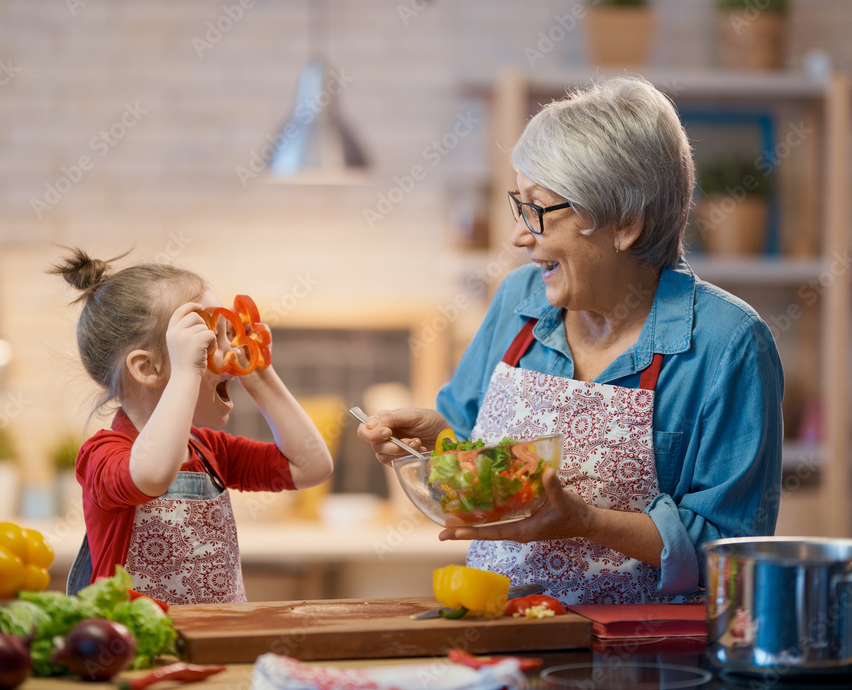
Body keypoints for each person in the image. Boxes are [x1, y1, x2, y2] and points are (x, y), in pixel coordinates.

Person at [358, 76, 784, 605]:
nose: (518, 235)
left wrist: (587, 522)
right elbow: (470, 445)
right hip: (504, 637)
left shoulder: (729, 345)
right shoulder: (519, 300)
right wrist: (436, 436)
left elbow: (734, 552)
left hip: (652, 664)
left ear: (625, 223)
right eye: (520, 204)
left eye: (539, 209)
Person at [52, 248, 333, 604]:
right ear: (148, 368)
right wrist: (188, 372)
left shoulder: (210, 450)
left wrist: (261, 376)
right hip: (142, 649)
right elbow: (151, 474)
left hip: (217, 643)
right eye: (208, 339)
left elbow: (312, 466)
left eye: (229, 332)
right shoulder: (103, 455)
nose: (229, 353)